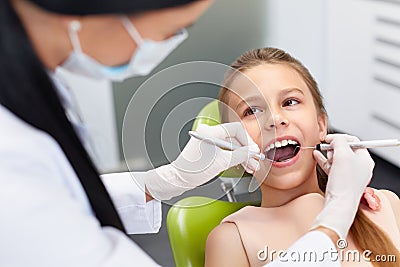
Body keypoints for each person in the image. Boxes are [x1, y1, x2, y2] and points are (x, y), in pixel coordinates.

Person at [205, 47, 400, 267]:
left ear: (321, 125)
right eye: (252, 111)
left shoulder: (385, 206)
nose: (275, 119)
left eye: (290, 102)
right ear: (233, 145)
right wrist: (342, 204)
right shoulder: (232, 240)